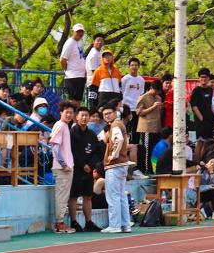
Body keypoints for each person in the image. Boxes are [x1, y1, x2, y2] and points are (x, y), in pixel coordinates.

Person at [100, 103, 133, 233]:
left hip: (115, 165)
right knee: (121, 196)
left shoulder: (115, 125)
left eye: (109, 113)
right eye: (105, 114)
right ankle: (125, 224)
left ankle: (115, 225)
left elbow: (118, 139)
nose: (107, 116)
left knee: (113, 196)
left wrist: (113, 155)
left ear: (115, 113)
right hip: (122, 164)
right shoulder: (120, 124)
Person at [69, 106, 102, 232]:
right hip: (76, 169)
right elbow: (72, 151)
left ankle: (88, 222)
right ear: (76, 117)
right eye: (81, 115)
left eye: (86, 115)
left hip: (88, 170)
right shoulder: (72, 133)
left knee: (88, 196)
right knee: (73, 197)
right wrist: (82, 165)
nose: (84, 118)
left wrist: (91, 165)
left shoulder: (92, 134)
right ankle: (73, 222)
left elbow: (97, 152)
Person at [49, 101, 76, 233]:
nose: (69, 115)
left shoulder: (64, 126)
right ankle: (59, 223)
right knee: (62, 196)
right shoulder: (60, 125)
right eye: (67, 112)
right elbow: (55, 146)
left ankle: (60, 222)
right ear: (61, 113)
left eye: (71, 113)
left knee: (64, 196)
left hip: (65, 167)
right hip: (62, 168)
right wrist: (64, 164)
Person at [135, 80, 164, 172]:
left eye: (158, 91)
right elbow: (139, 112)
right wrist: (153, 107)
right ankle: (147, 168)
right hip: (147, 127)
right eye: (155, 90)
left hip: (157, 127)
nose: (157, 93)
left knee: (155, 148)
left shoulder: (159, 98)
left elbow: (159, 112)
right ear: (151, 88)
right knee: (147, 149)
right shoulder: (143, 97)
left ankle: (154, 168)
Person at [189, 68, 214, 162]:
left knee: (207, 142)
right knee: (200, 142)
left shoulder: (210, 90)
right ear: (199, 78)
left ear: (208, 78)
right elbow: (194, 106)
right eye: (202, 77)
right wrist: (201, 118)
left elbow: (210, 105)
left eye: (205, 77)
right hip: (200, 121)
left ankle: (203, 161)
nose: (203, 79)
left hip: (210, 119)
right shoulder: (196, 90)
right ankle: (196, 162)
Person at [59, 23, 87, 102]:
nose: (80, 33)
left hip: (80, 76)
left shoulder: (78, 43)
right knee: (73, 102)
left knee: (78, 101)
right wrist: (67, 70)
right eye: (77, 31)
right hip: (73, 77)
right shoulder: (70, 43)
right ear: (73, 32)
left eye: (81, 32)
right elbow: (62, 60)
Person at [84, 32, 105, 107]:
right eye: (98, 40)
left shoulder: (99, 53)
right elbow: (94, 72)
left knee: (99, 104)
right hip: (93, 83)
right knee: (93, 105)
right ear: (93, 42)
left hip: (99, 83)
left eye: (101, 41)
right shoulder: (93, 54)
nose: (100, 42)